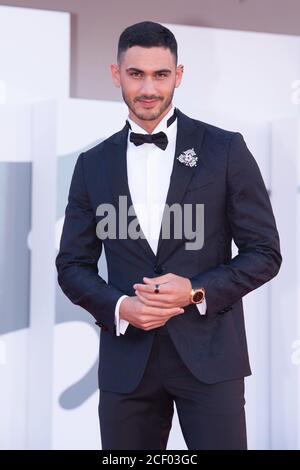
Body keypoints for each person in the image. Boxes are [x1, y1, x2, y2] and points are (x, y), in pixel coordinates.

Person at [56, 21, 282, 450]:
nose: (148, 88)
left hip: (211, 358)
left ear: (178, 75)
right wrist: (121, 306)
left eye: (160, 75)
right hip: (127, 364)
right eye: (135, 73)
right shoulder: (92, 164)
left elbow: (264, 252)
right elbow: (71, 266)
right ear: (115, 73)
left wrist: (195, 291)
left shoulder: (225, 149)